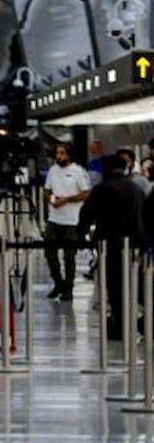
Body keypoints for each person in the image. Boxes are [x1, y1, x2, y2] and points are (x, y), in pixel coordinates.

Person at [78, 154, 146, 340]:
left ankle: (119, 324)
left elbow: (87, 213)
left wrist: (81, 236)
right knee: (136, 285)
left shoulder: (102, 189)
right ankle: (139, 321)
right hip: (135, 245)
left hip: (110, 244)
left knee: (115, 287)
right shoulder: (136, 189)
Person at [43, 144, 90, 301]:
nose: (59, 156)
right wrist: (51, 199)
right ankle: (58, 282)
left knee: (69, 256)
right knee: (50, 253)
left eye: (62, 153)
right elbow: (47, 190)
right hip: (54, 218)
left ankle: (68, 287)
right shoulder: (52, 171)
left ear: (69, 155)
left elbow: (86, 193)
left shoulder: (78, 171)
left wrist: (67, 199)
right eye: (57, 153)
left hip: (72, 220)